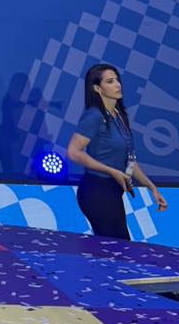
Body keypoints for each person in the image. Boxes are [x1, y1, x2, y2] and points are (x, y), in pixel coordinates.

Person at [65, 63, 167, 239]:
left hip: (112, 191)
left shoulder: (118, 115)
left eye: (117, 80)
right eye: (110, 81)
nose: (117, 85)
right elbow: (73, 152)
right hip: (97, 191)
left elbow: (129, 161)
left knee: (115, 250)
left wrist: (152, 188)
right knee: (117, 249)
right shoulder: (94, 116)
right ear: (97, 88)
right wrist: (111, 171)